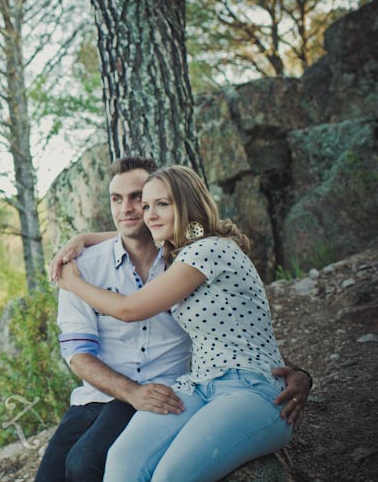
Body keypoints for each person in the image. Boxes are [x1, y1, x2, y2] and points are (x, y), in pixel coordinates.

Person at [35, 157, 311, 482]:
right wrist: (85, 238)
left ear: (183, 204)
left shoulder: (192, 256)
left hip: (218, 387)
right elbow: (226, 326)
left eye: (152, 202)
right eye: (122, 200)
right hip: (176, 388)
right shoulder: (158, 255)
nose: (140, 211)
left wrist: (73, 283)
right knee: (108, 468)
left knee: (132, 471)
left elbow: (131, 309)